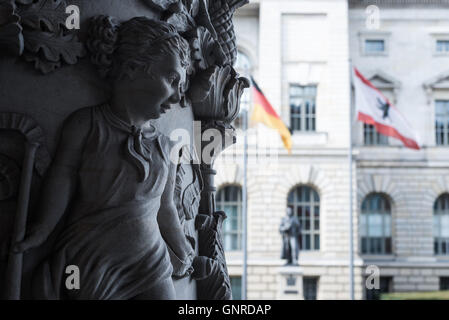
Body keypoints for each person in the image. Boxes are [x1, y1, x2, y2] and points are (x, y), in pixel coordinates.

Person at [14, 16, 194, 300]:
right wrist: (42, 228)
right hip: (92, 257)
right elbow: (63, 179)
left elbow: (166, 207)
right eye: (172, 80)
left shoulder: (166, 146)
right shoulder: (87, 124)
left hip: (150, 262)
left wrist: (181, 246)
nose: (176, 97)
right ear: (133, 68)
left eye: (181, 87)